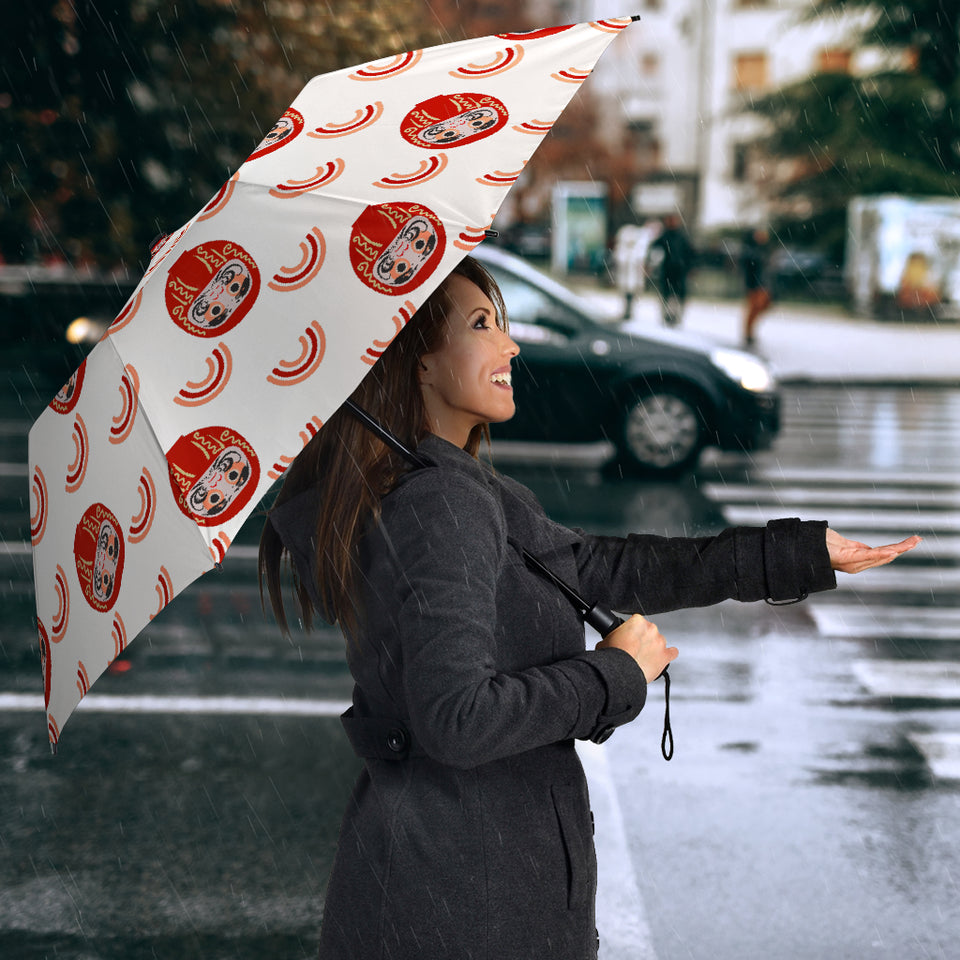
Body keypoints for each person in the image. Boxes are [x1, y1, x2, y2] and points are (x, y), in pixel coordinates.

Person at [258, 256, 919, 960]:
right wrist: (614, 673)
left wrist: (796, 554)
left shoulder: (448, 488)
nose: (511, 345)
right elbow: (456, 719)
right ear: (417, 362)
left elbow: (603, 567)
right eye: (483, 325)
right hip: (467, 902)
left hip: (453, 882)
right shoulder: (440, 504)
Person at [648, 213, 695, 327]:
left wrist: (690, 267)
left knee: (677, 295)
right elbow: (654, 249)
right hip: (668, 270)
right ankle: (667, 315)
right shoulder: (665, 236)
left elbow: (690, 253)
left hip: (679, 271)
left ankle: (675, 316)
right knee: (667, 294)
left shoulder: (681, 237)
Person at [741, 226, 773, 347]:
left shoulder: (763, 249)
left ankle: (750, 331)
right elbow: (750, 265)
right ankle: (748, 333)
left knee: (762, 306)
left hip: (763, 283)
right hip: (755, 284)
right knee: (754, 308)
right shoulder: (751, 250)